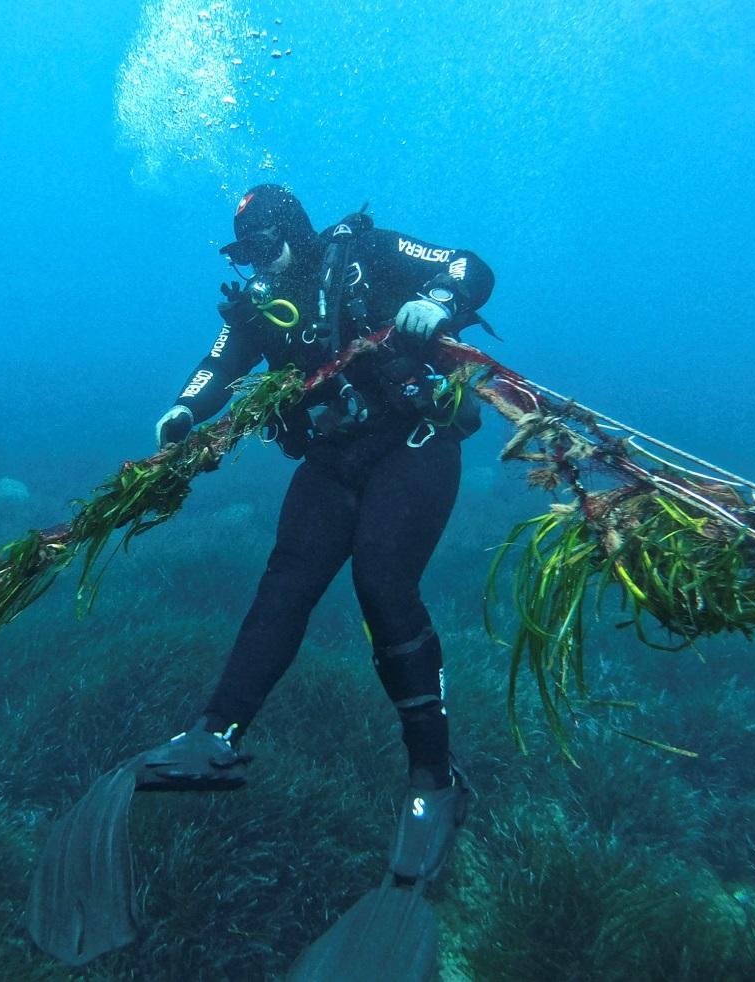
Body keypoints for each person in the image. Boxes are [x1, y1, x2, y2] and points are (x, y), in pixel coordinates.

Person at [28, 185, 495, 977]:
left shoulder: (365, 251)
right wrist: (183, 412)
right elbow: (218, 363)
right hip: (333, 458)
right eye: (243, 254)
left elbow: (467, 264)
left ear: (295, 234)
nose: (256, 265)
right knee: (284, 583)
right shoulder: (257, 307)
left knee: (383, 583)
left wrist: (438, 303)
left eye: (263, 248)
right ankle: (215, 732)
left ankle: (434, 777)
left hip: (412, 443)